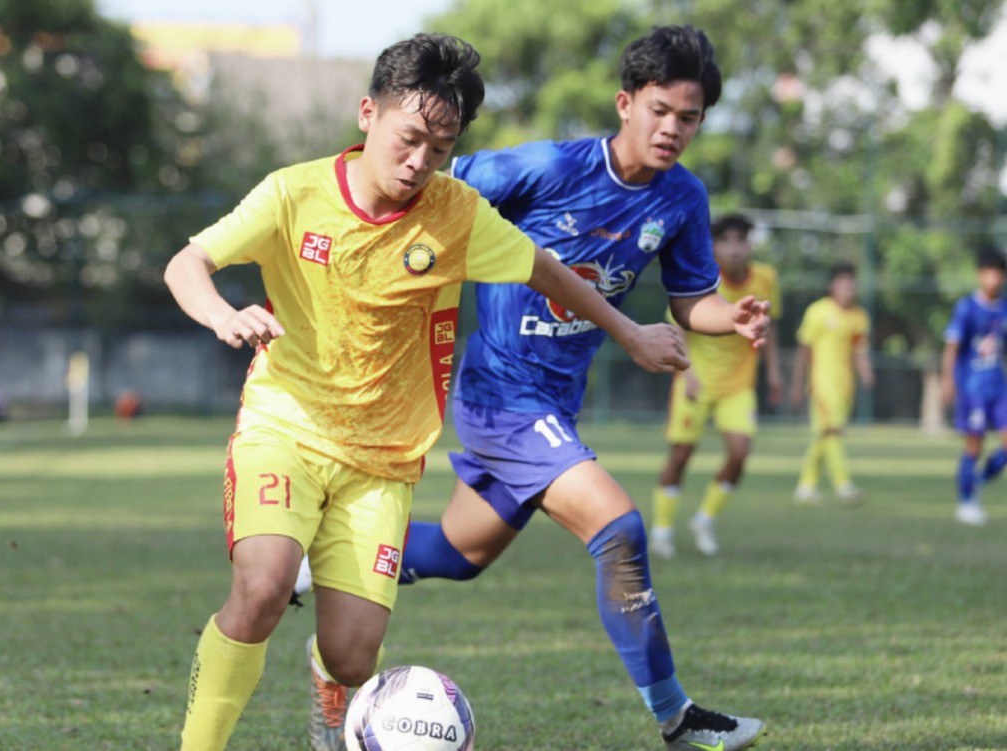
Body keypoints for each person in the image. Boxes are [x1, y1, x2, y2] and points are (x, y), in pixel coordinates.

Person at [163, 33, 712, 751]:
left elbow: (545, 269)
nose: (419, 162)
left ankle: (330, 692)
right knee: (263, 586)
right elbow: (188, 262)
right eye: (410, 139)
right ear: (368, 113)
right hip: (285, 428)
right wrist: (222, 314)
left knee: (353, 656)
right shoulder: (293, 193)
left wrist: (630, 332)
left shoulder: (455, 213)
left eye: (441, 148)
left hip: (384, 461)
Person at [298, 25, 769, 751]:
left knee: (459, 554)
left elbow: (690, 300)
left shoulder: (682, 199)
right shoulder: (546, 168)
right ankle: (679, 719)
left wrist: (726, 316)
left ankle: (318, 558)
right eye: (660, 111)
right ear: (626, 103)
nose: (673, 129)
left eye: (690, 117)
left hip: (552, 406)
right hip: (501, 395)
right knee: (620, 529)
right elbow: (428, 188)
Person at [651, 212, 783, 558]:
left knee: (740, 453)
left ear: (751, 245)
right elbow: (678, 325)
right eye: (726, 241)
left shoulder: (766, 278)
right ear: (713, 247)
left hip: (738, 385)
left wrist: (773, 372)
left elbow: (769, 325)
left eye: (742, 240)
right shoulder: (701, 278)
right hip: (696, 379)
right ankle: (662, 530)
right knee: (681, 456)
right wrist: (687, 374)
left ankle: (705, 519)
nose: (735, 248)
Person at [789, 262, 875, 503]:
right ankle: (843, 484)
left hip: (845, 386)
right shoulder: (817, 311)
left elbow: (859, 349)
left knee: (824, 435)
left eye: (852, 282)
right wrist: (797, 384)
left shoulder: (859, 316)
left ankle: (806, 486)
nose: (849, 287)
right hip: (821, 384)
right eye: (844, 282)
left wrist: (866, 372)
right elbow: (804, 350)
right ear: (832, 285)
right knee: (831, 432)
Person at [940, 245, 1007, 526]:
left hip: (999, 388)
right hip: (972, 389)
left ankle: (977, 480)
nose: (994, 278)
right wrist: (947, 381)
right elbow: (952, 347)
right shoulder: (966, 307)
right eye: (988, 272)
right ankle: (966, 502)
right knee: (974, 446)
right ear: (980, 274)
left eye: (998, 273)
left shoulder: (1004, 309)